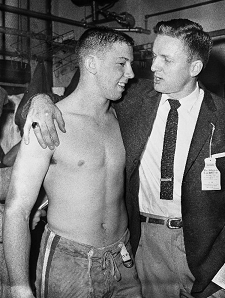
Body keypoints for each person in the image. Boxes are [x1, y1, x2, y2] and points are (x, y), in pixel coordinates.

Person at [21, 19, 225, 298]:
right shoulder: (131, 98)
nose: (153, 67)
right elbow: (82, 90)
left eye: (166, 59)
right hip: (145, 245)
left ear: (194, 68)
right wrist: (39, 100)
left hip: (207, 247)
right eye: (154, 56)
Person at [3, 27, 143, 298]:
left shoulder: (120, 118)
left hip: (121, 258)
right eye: (121, 64)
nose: (131, 74)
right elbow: (16, 209)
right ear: (91, 64)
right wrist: (18, 286)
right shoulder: (47, 123)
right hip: (69, 262)